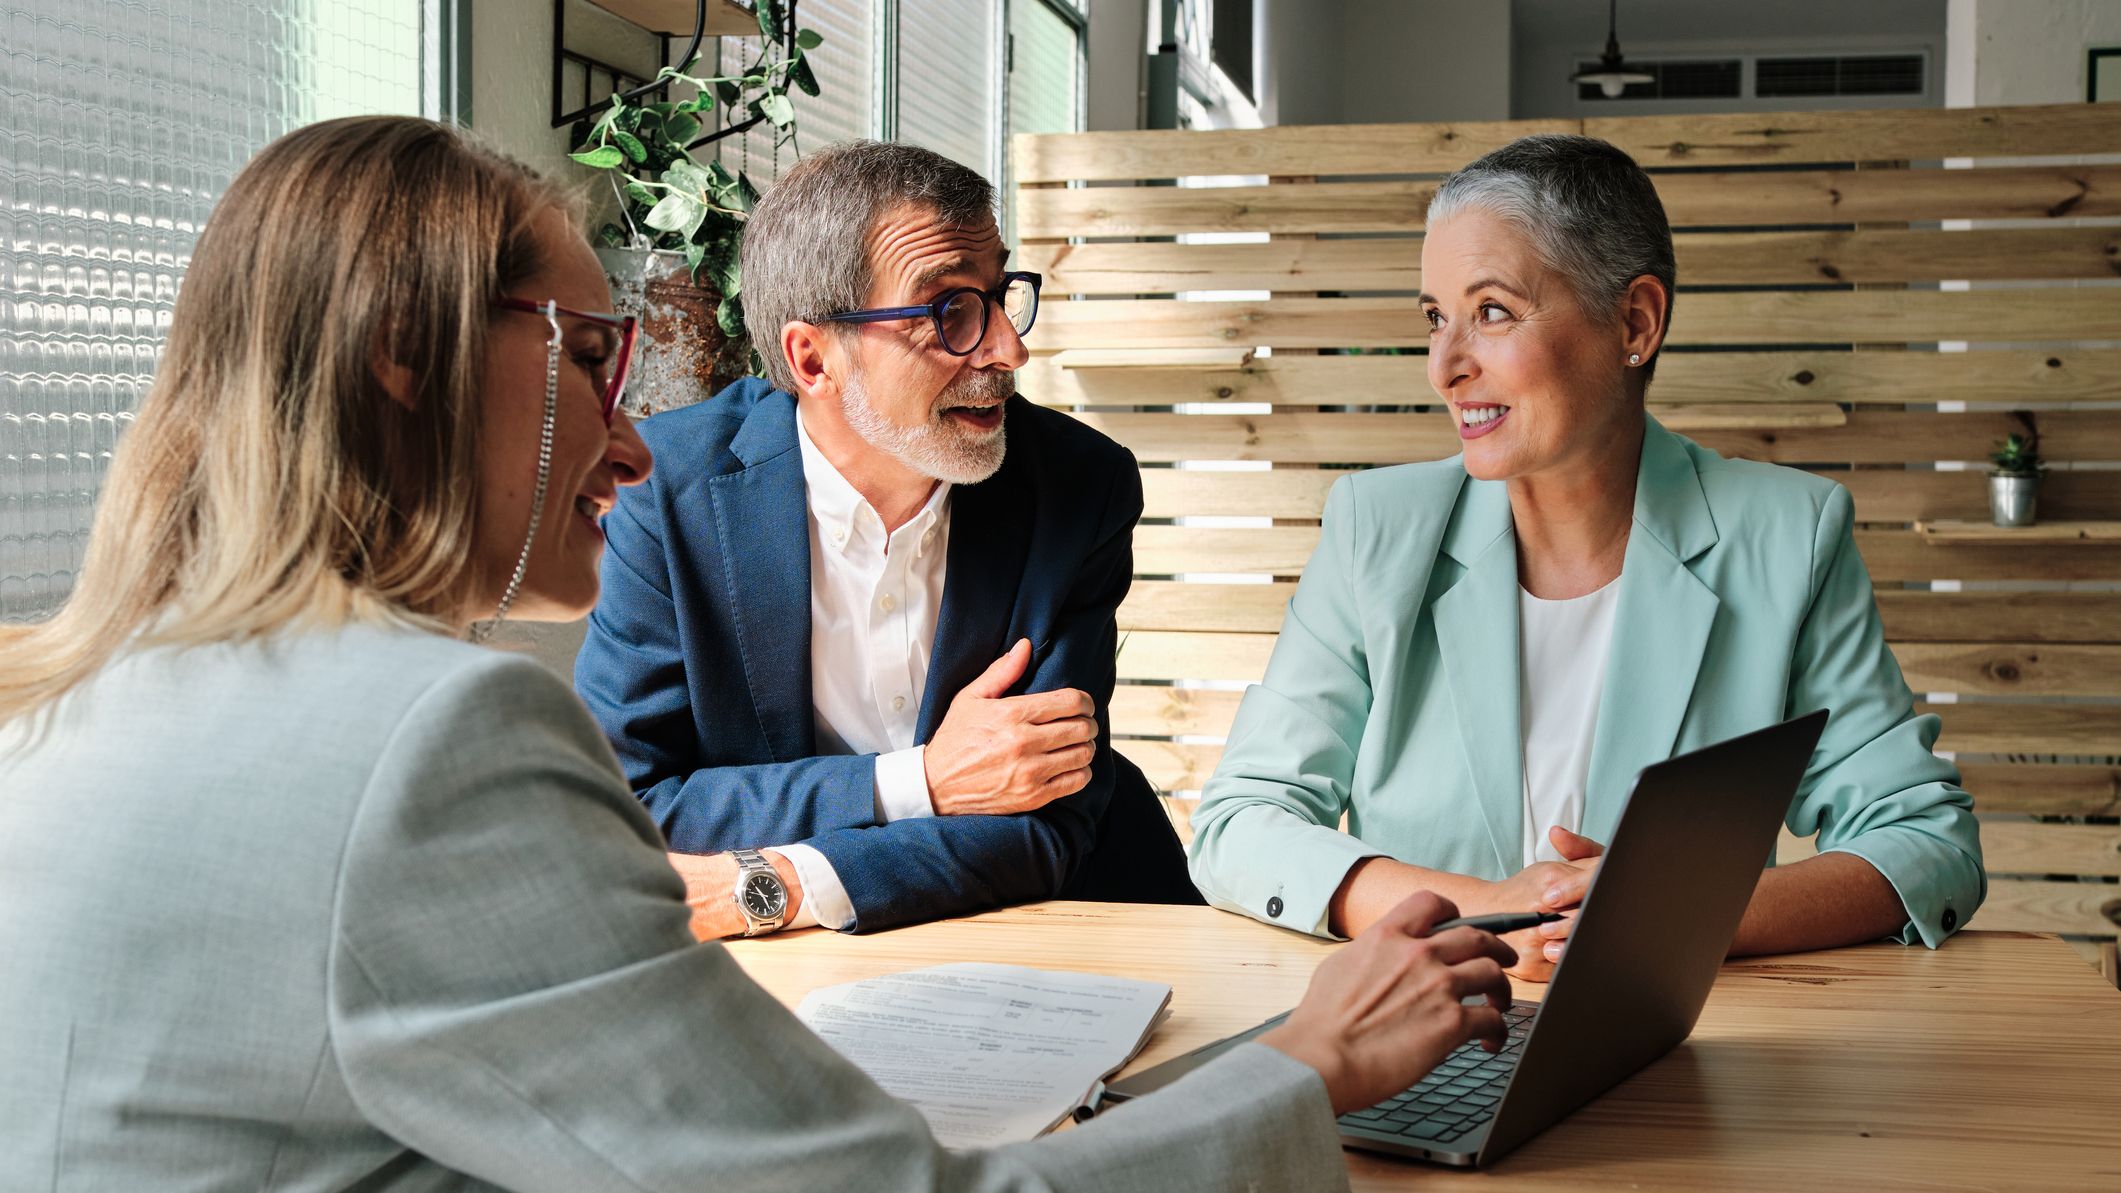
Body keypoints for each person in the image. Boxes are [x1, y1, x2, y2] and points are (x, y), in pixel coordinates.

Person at [0, 115, 1518, 1191]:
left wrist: (752, 882)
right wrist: (1301, 1074)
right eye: (593, 351)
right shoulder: (430, 738)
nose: (628, 435)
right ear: (413, 353)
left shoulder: (83, 700)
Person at [1187, 134, 1985, 979]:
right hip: (1428, 1040)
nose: (1444, 366)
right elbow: (1241, 822)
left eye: (1490, 311)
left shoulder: (1789, 536)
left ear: (1634, 322)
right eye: (1434, 317)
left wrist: (1669, 909)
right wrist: (1481, 913)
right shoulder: (1372, 531)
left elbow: (1925, 841)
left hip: (1681, 1049)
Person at [573, 139, 1195, 939]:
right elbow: (629, 804)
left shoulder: (1079, 487)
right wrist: (920, 781)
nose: (1008, 348)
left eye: (1000, 296)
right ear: (812, 357)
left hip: (1062, 926)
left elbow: (1048, 815)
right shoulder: (664, 490)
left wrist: (784, 883)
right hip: (785, 972)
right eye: (949, 313)